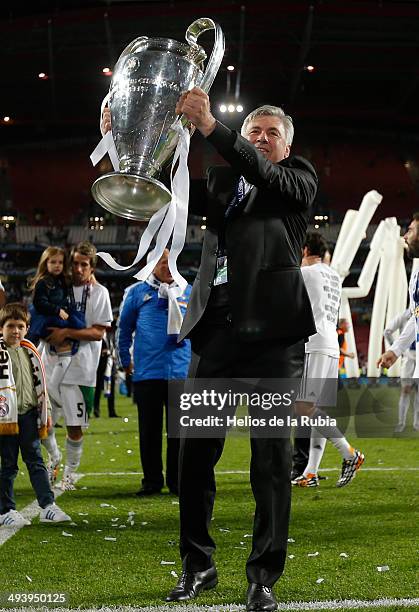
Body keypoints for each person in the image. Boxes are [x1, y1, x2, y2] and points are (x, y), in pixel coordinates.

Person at [165, 87, 317, 611]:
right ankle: (197, 564)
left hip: (275, 343)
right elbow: (172, 191)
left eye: (272, 134)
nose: (262, 139)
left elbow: (264, 172)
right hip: (217, 336)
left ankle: (263, 576)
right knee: (195, 457)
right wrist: (126, 143)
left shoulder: (295, 179)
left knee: (271, 459)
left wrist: (214, 127)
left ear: (286, 145)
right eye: (254, 131)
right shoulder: (224, 180)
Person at [291, 232, 364, 488]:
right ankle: (311, 472)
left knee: (304, 407)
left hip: (315, 343)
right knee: (315, 409)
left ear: (305, 250)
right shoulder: (333, 275)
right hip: (331, 344)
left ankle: (349, 453)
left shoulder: (308, 273)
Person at [117, 249, 191, 496]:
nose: (167, 267)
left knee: (179, 433)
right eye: (162, 262)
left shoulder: (188, 292)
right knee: (149, 431)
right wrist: (125, 359)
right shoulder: (137, 292)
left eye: (171, 262)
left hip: (180, 372)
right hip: (148, 372)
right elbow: (124, 329)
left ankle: (178, 481)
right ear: (152, 265)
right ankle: (151, 481)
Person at [39, 241, 113, 490]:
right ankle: (54, 458)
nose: (78, 269)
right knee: (43, 420)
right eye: (76, 264)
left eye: (84, 265)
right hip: (50, 364)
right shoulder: (59, 285)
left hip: (81, 369)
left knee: (75, 426)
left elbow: (98, 333)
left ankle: (69, 474)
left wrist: (66, 333)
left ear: (92, 267)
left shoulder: (100, 293)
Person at [0, 303, 71, 527]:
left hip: (29, 414)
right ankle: (6, 510)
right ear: (1, 328)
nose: (15, 331)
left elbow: (40, 384)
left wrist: (45, 410)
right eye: (10, 326)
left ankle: (48, 506)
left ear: (27, 328)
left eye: (20, 326)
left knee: (36, 461)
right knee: (9, 464)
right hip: (5, 418)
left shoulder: (29, 349)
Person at [28, 246, 86, 405]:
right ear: (45, 263)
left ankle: (52, 386)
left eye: (60, 262)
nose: (57, 265)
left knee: (66, 350)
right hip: (46, 320)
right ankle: (52, 387)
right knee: (63, 348)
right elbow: (39, 303)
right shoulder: (43, 282)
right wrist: (57, 310)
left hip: (59, 317)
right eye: (53, 262)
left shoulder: (63, 281)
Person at [378, 213, 419, 433]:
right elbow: (417, 316)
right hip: (411, 355)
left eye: (411, 230)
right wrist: (395, 350)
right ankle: (404, 424)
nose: (405, 235)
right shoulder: (417, 271)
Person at [384, 308, 417, 432]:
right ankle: (402, 423)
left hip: (411, 356)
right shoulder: (405, 315)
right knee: (406, 390)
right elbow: (387, 332)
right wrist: (397, 349)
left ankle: (415, 424)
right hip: (408, 357)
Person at [93, 328, 118, 418]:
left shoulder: (110, 335)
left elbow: (113, 347)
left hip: (110, 364)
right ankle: (96, 410)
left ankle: (112, 411)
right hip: (100, 364)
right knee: (98, 388)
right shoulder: (98, 335)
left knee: (111, 387)